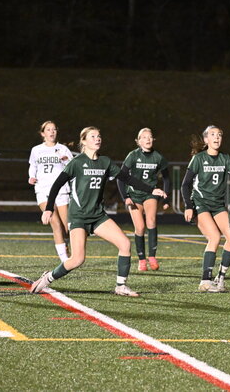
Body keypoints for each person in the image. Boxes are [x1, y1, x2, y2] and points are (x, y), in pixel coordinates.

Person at [30, 126, 166, 297]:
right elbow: (57, 185)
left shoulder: (105, 162)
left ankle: (121, 286)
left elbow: (127, 178)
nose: (97, 138)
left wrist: (151, 189)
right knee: (77, 259)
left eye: (99, 136)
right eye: (93, 136)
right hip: (79, 216)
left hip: (98, 216)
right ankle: (47, 278)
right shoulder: (77, 162)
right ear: (84, 141)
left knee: (125, 244)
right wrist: (49, 209)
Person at [180, 125, 230, 292]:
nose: (217, 137)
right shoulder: (198, 158)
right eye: (212, 134)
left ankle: (220, 278)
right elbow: (185, 185)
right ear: (206, 139)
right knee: (214, 237)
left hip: (218, 205)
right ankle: (205, 281)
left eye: (219, 134)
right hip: (200, 203)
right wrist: (188, 206)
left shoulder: (226, 159)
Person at [117, 128, 171, 272]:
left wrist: (166, 198)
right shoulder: (133, 156)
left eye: (150, 137)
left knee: (151, 221)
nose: (148, 139)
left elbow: (167, 178)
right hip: (134, 195)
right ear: (138, 141)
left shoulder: (158, 157)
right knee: (140, 227)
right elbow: (120, 178)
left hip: (150, 194)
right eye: (144, 137)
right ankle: (141, 259)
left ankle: (152, 257)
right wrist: (125, 197)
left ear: (153, 140)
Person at [28, 121, 73, 262]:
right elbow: (32, 166)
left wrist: (66, 160)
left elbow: (72, 167)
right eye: (48, 130)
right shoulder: (36, 150)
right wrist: (31, 176)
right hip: (43, 190)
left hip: (61, 191)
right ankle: (65, 260)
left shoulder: (63, 149)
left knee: (67, 228)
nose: (52, 132)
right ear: (43, 133)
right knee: (56, 223)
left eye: (54, 129)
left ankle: (66, 243)